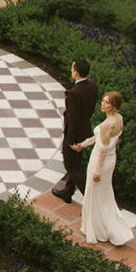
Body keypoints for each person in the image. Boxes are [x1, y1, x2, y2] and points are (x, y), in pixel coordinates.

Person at [72, 91, 133, 246]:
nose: (103, 104)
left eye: (107, 103)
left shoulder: (107, 125)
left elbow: (103, 149)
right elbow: (103, 140)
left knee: (94, 193)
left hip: (101, 160)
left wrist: (97, 171)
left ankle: (98, 229)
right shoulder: (119, 118)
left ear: (114, 106)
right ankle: (104, 225)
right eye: (103, 101)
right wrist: (85, 144)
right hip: (110, 159)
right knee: (103, 194)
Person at [52, 58, 98, 204]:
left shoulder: (73, 93)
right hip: (85, 131)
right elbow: (89, 111)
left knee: (70, 166)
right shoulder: (93, 87)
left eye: (72, 69)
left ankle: (90, 199)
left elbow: (73, 120)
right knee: (76, 165)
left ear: (76, 73)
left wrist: (70, 141)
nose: (71, 71)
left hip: (74, 134)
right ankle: (67, 192)